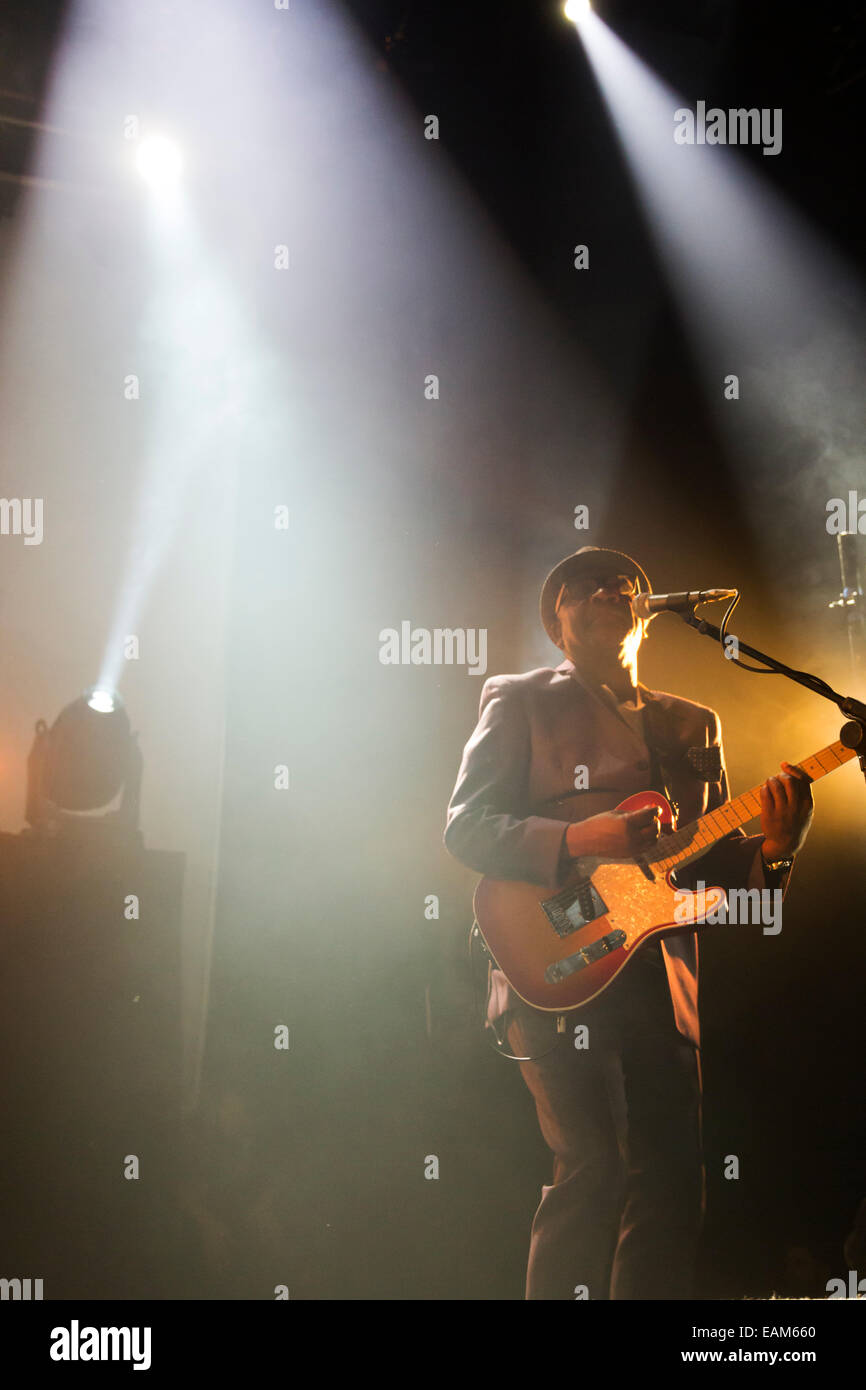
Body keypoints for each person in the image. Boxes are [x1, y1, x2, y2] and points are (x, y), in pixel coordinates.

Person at [443, 545, 813, 1300]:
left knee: (673, 1179)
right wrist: (581, 838)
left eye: (623, 585)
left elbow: (703, 870)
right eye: (582, 588)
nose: (607, 591)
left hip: (657, 970)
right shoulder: (519, 698)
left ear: (646, 611)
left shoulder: (693, 723)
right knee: (592, 1165)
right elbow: (466, 828)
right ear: (558, 620)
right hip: (552, 949)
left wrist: (774, 853)